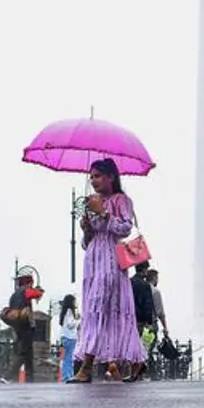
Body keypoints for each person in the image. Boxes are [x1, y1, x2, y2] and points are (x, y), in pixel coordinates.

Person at [70, 158, 147, 382]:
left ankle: (86, 366)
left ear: (111, 177)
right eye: (91, 176)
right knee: (98, 310)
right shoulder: (93, 203)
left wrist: (103, 213)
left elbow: (124, 228)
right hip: (93, 262)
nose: (93, 180)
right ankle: (137, 362)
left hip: (111, 262)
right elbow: (87, 243)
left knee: (101, 309)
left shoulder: (121, 200)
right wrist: (86, 229)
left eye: (98, 175)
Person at [3, 274, 43, 384]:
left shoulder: (13, 295)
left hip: (17, 325)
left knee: (29, 353)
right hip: (26, 325)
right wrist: (38, 290)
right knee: (24, 352)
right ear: (28, 283)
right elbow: (37, 294)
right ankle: (8, 376)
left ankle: (30, 380)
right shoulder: (26, 291)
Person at [58, 295, 80, 383]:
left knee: (67, 358)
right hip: (70, 337)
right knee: (69, 358)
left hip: (65, 336)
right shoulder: (70, 311)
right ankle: (68, 376)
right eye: (74, 301)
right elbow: (70, 324)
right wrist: (77, 320)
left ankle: (67, 375)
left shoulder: (64, 312)